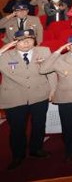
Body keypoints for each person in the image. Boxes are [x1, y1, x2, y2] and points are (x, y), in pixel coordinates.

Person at [0, 30, 55, 170]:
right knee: (17, 128)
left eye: (30, 39)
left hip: (40, 94)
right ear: (14, 42)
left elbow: (51, 72)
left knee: (39, 125)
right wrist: (3, 49)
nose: (26, 43)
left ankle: (36, 149)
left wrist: (53, 90)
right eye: (21, 40)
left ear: (35, 40)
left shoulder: (44, 51)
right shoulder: (5, 55)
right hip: (14, 97)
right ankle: (18, 155)